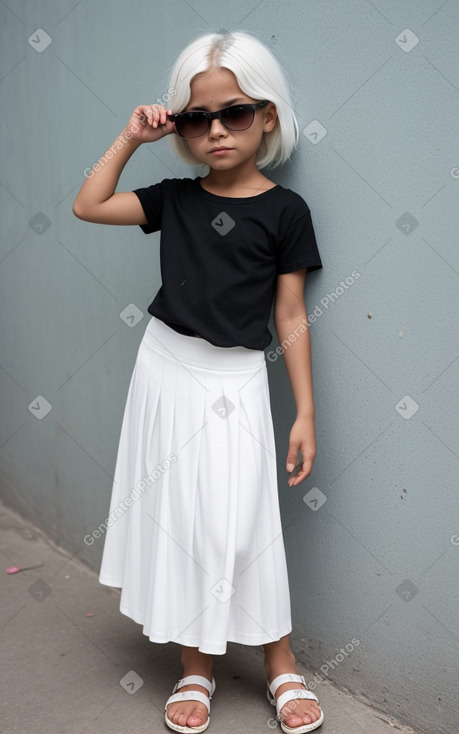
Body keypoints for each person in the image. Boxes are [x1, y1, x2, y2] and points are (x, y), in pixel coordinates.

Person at [73, 29, 324, 734]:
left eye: (234, 113)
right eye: (196, 117)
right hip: (164, 370)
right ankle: (195, 666)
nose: (215, 130)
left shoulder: (284, 212)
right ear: (180, 126)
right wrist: (129, 138)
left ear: (267, 116)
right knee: (181, 519)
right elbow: (88, 205)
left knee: (242, 523)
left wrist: (304, 411)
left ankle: (279, 662)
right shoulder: (174, 199)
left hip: (236, 378)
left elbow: (290, 313)